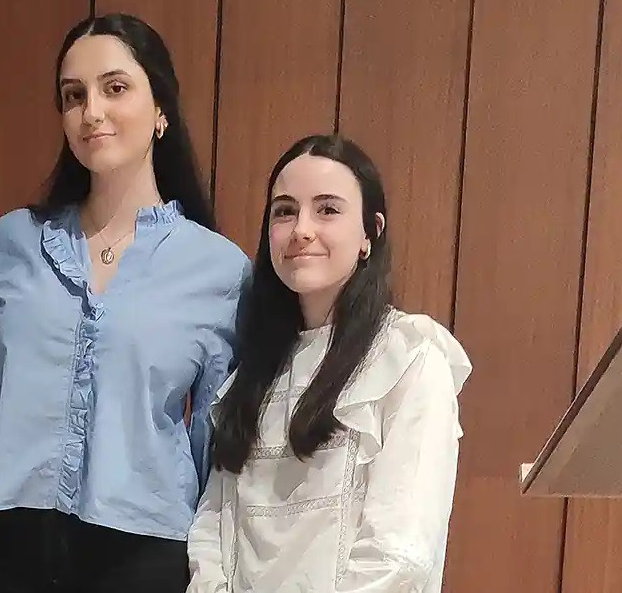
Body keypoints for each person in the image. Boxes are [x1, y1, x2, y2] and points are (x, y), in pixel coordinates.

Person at [0, 12, 250, 593]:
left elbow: (215, 446)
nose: (91, 111)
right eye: (74, 96)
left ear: (161, 109)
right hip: (12, 547)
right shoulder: (14, 239)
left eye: (115, 88)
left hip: (144, 554)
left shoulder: (219, 269)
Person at [186, 134, 473, 592]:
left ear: (369, 234)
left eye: (327, 209)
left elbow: (401, 554)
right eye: (284, 211)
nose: (301, 229)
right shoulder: (253, 373)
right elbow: (212, 526)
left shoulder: (410, 358)